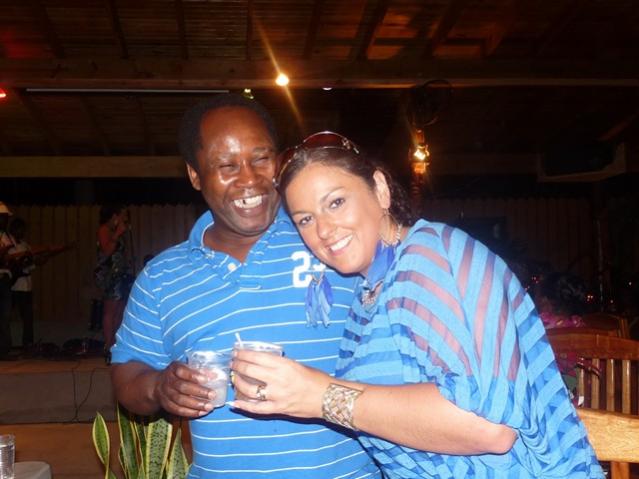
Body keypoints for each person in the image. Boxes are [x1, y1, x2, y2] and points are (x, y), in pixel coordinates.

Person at [230, 131, 604, 478]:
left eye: (336, 202)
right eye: (306, 219)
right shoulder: (368, 294)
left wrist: (321, 396)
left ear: (379, 189)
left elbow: (490, 428)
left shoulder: (431, 254)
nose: (323, 230)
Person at [110, 95, 384, 478]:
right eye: (226, 166)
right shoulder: (162, 278)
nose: (250, 179)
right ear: (195, 175)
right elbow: (126, 372)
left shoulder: (328, 239)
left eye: (261, 158)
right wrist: (159, 387)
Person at [95, 204, 133, 364]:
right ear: (114, 216)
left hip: (120, 274)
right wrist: (117, 234)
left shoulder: (117, 231)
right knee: (110, 311)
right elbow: (106, 251)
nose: (125, 218)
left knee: (120, 311)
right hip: (109, 275)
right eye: (122, 215)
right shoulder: (104, 230)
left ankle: (115, 344)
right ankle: (108, 346)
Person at [0, 202, 16, 360]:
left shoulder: (5, 235)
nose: (5, 220)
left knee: (5, 316)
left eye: (6, 218)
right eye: (3, 217)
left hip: (5, 278)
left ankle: (4, 350)